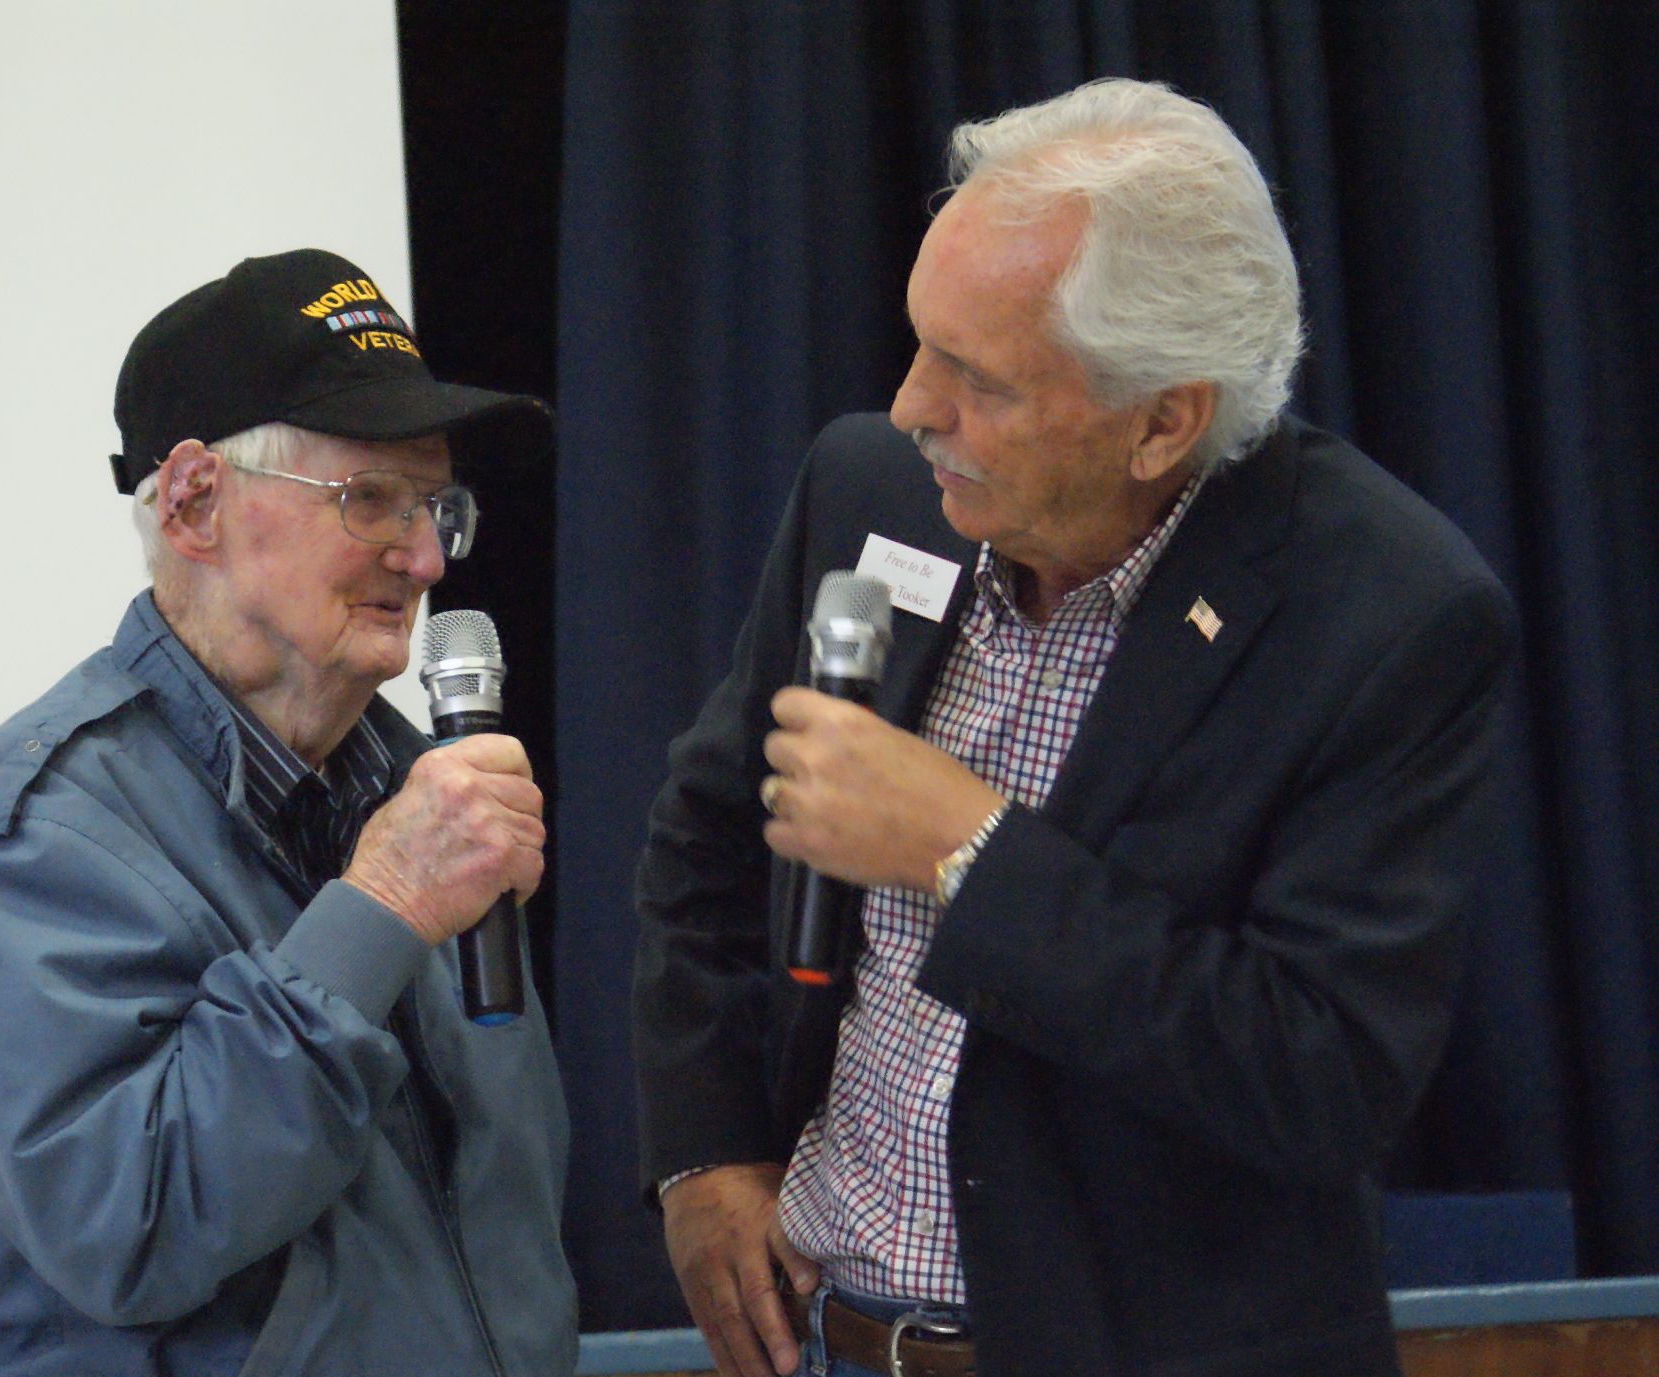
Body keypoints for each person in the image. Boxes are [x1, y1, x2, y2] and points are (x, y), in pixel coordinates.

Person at [632, 79, 1516, 1377]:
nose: (912, 406)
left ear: (1161, 420)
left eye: (978, 378)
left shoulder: (1386, 612)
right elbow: (710, 830)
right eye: (919, 343)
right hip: (830, 1343)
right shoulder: (871, 489)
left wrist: (966, 849)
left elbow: (1315, 1074)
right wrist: (702, 1150)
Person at [0, 249, 576, 1376]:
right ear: (193, 502)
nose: (422, 557)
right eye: (369, 499)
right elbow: (126, 1230)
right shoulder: (40, 830)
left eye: (435, 506)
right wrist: (380, 906)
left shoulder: (429, 793)